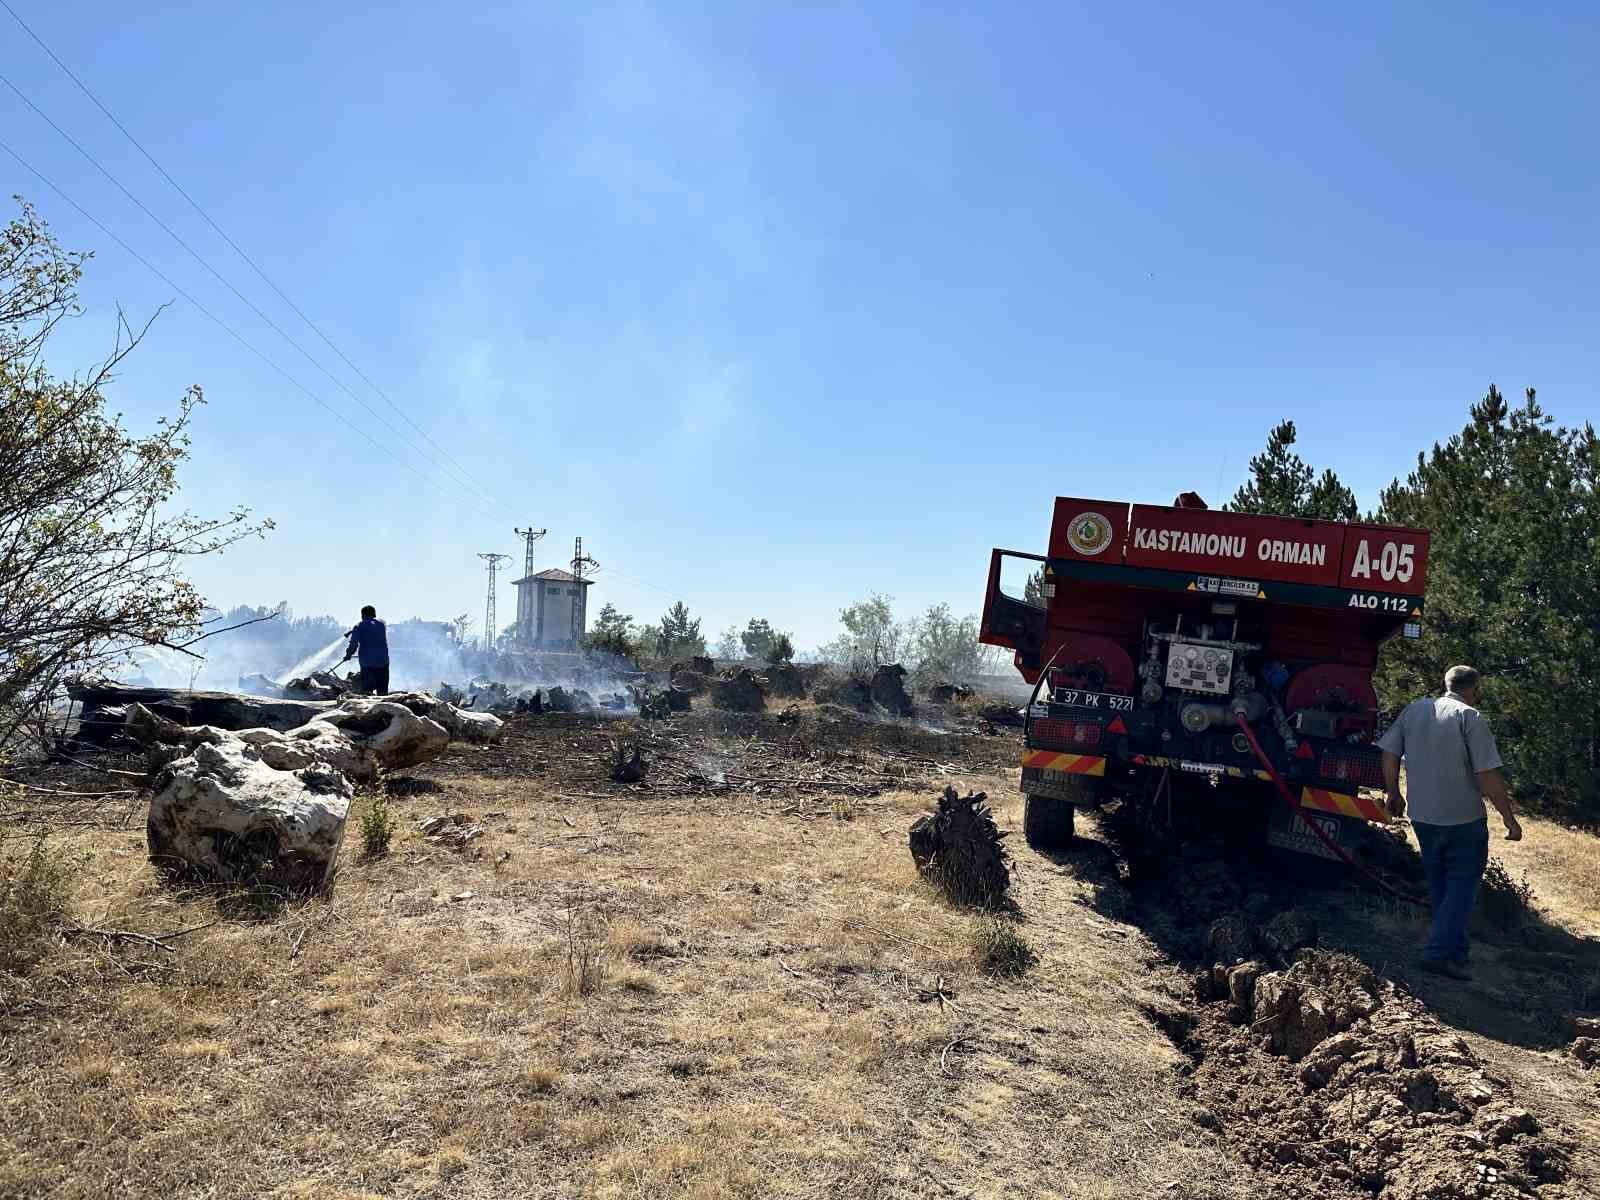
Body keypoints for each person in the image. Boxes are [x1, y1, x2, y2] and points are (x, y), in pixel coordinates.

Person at [1379, 665, 1522, 981]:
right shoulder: (1470, 717)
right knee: (1462, 887)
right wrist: (1508, 818)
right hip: (1462, 818)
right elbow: (1487, 776)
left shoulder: (1415, 710)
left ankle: (1456, 951)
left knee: (1440, 883)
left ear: (1444, 684)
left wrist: (1393, 793)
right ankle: (1438, 954)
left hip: (1423, 816)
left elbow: (1389, 752)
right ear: (1475, 688)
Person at [340, 605, 390, 695]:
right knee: (383, 693)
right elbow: (373, 627)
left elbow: (353, 644)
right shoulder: (381, 624)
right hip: (383, 662)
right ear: (374, 614)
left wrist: (348, 655)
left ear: (362, 615)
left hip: (367, 664)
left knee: (367, 692)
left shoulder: (359, 626)